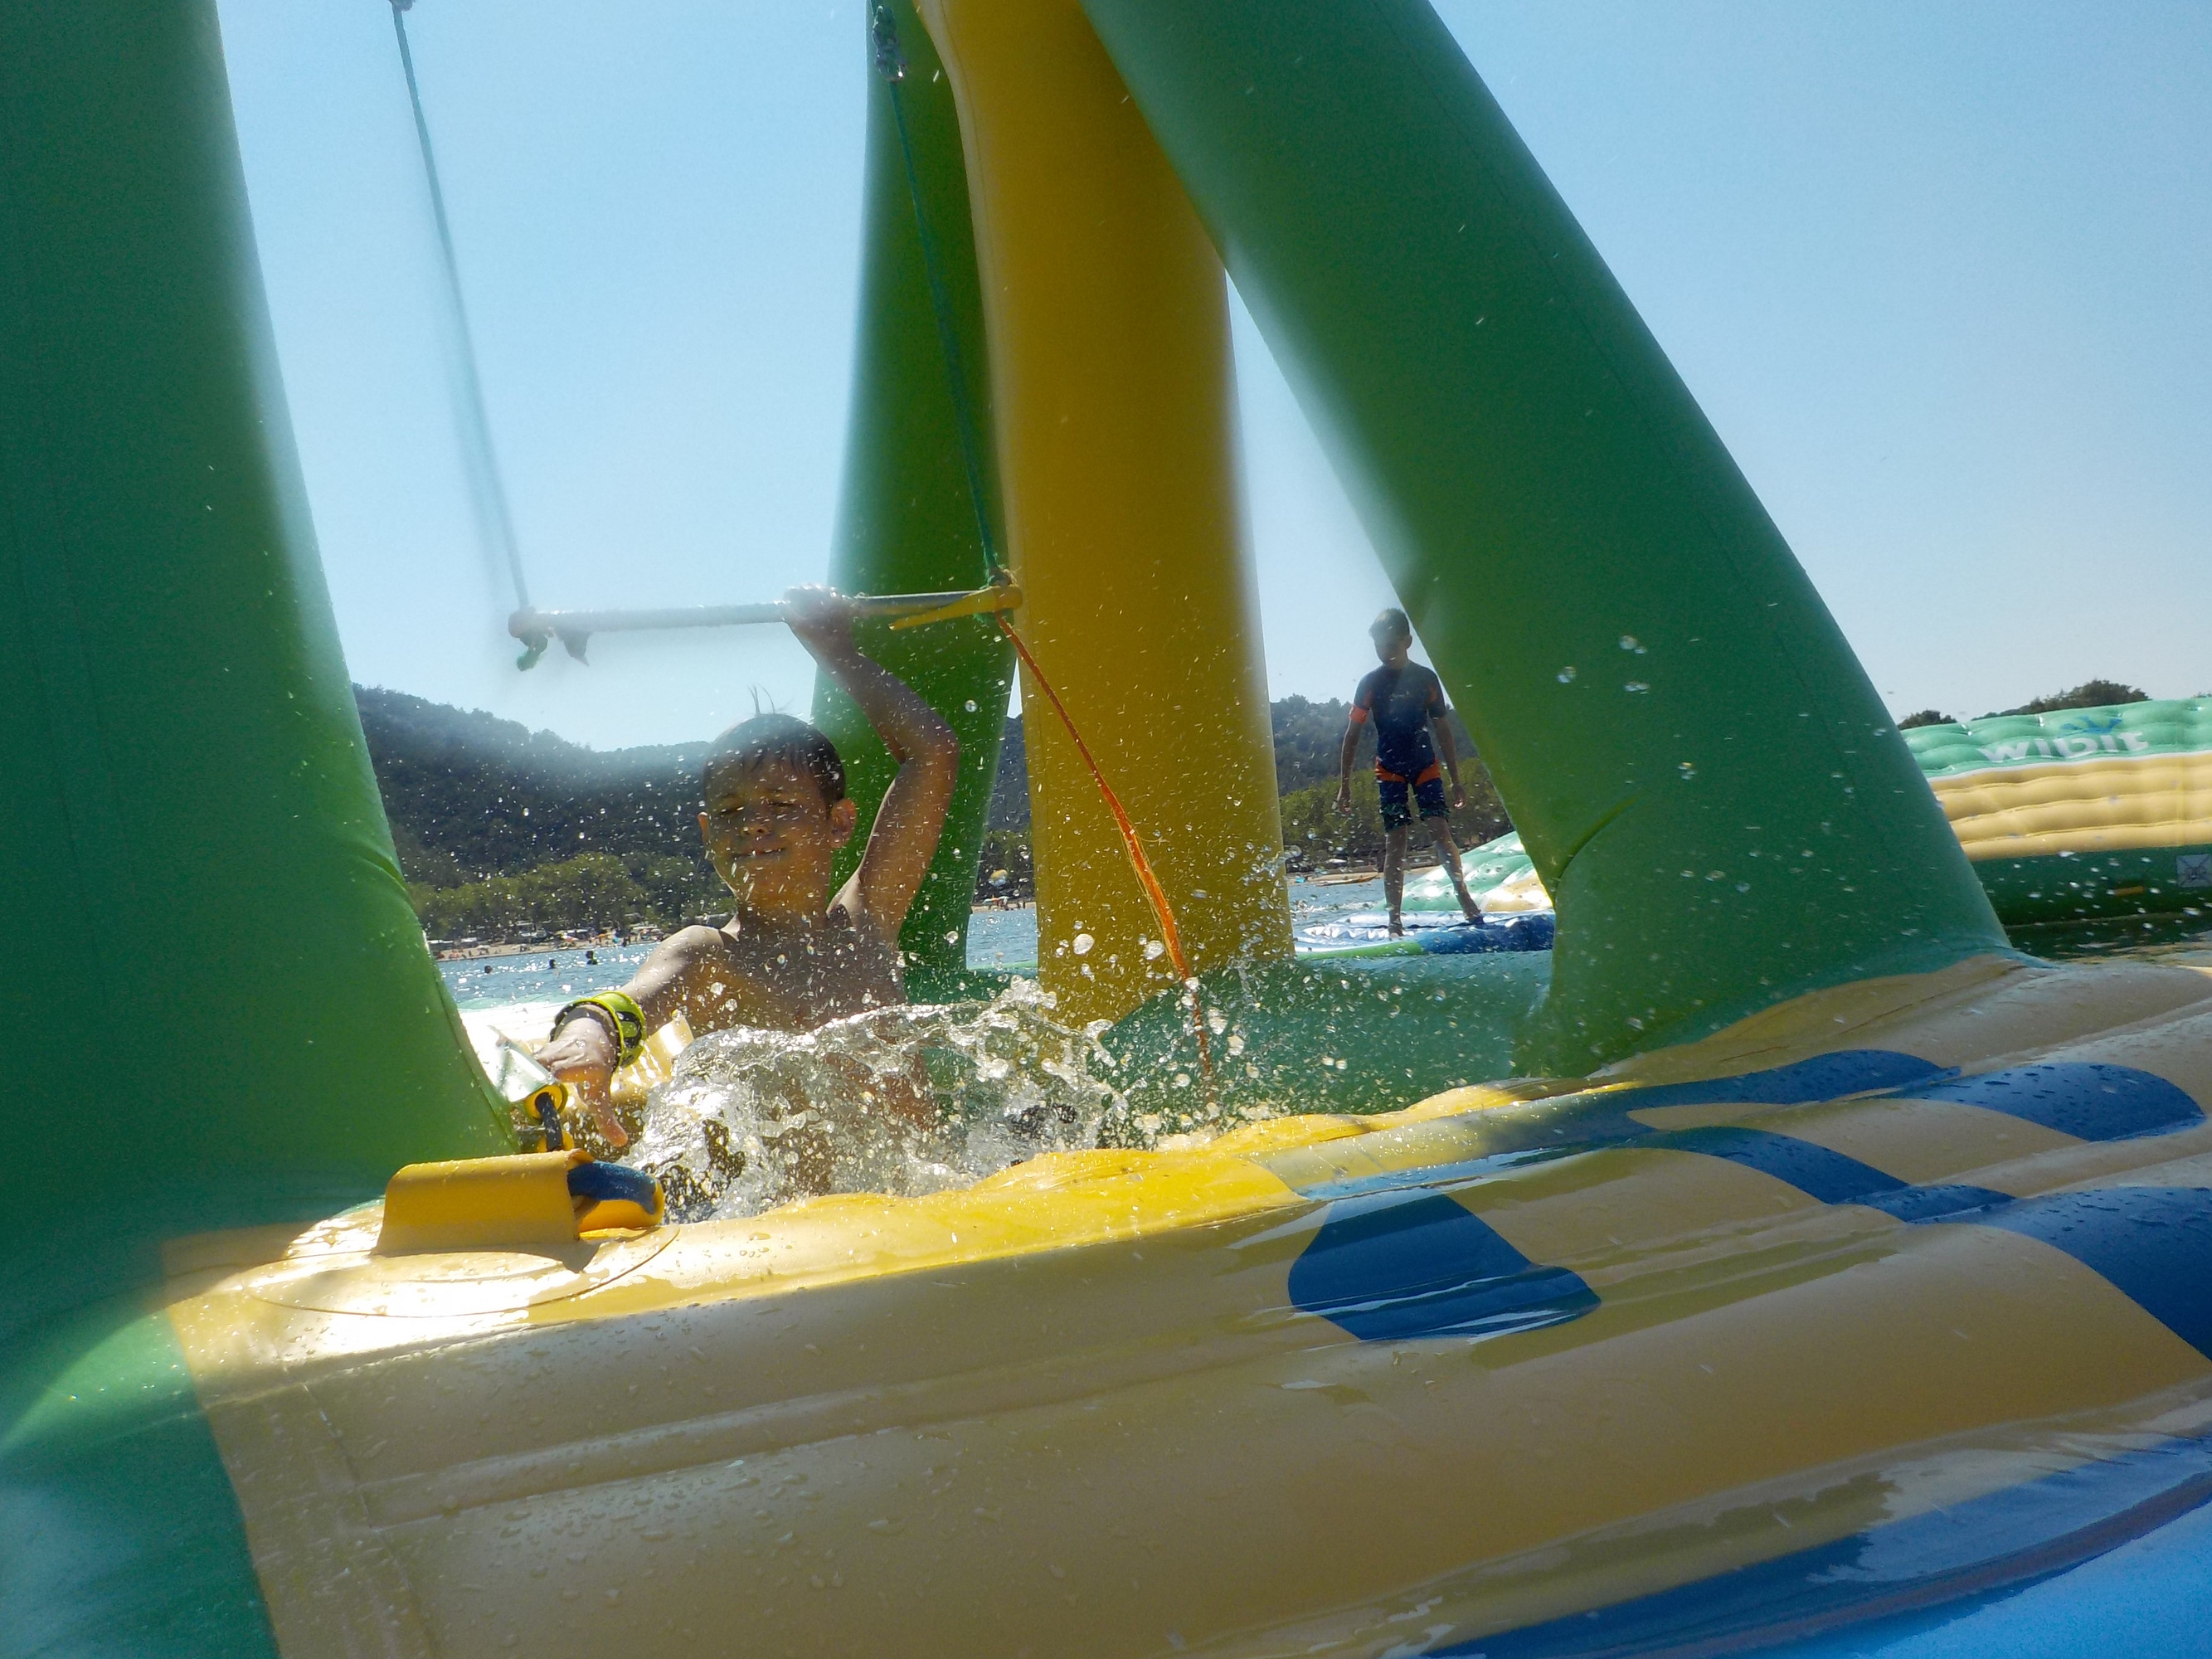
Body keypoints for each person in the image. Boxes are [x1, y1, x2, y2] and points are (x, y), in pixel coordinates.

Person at [537, 586, 959, 1146]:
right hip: (799, 1204)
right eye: (731, 812)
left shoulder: (867, 920)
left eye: (781, 805)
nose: (754, 824)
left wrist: (835, 650)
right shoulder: (707, 955)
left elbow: (933, 751)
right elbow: (629, 1002)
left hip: (930, 1192)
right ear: (707, 834)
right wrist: (590, 1037)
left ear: (838, 824)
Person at [1334, 607, 1483, 937]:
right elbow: (1352, 734)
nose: (1384, 652)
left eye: (1391, 645)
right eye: (1379, 646)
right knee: (1396, 841)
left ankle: (1465, 898)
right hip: (1389, 769)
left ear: (1407, 641)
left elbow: (1443, 729)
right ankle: (1394, 919)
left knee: (1440, 830)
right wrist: (1345, 784)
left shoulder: (1426, 679)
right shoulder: (1370, 683)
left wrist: (1457, 779)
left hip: (1425, 765)